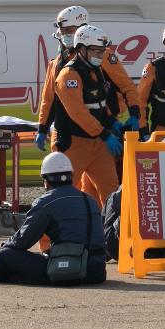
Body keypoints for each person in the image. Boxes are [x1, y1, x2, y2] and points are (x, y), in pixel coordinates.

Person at [0, 152, 107, 285]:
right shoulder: (90, 200)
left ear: (46, 180)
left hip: (69, 269)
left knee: (3, 257)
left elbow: (23, 241)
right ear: (71, 177)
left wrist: (5, 246)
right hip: (97, 271)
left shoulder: (45, 202)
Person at [36, 6, 141, 150]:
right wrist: (42, 128)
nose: (63, 34)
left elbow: (126, 86)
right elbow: (48, 99)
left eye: (68, 30)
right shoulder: (56, 63)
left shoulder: (102, 55)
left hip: (104, 127)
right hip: (67, 132)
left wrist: (134, 113)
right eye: (63, 30)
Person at [51, 25, 125, 207]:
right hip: (73, 145)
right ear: (81, 49)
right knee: (58, 195)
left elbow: (100, 105)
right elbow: (78, 113)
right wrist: (105, 134)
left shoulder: (95, 71)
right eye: (96, 51)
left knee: (112, 195)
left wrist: (112, 121)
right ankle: (43, 237)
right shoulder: (69, 76)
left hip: (98, 145)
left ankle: (111, 234)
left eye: (102, 51)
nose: (100, 55)